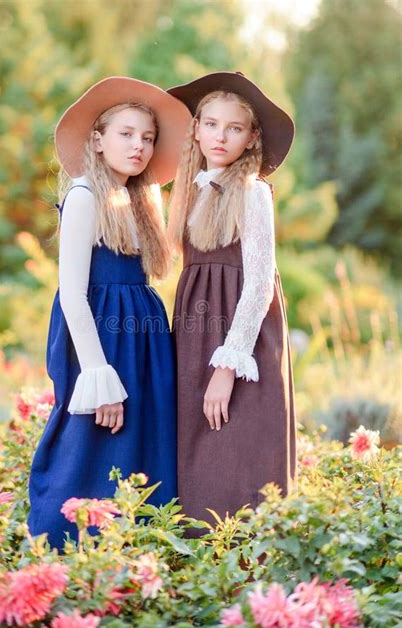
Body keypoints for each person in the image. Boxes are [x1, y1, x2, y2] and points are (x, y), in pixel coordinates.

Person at [28, 77, 190, 550]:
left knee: (143, 439)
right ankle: (65, 545)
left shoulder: (142, 200)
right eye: (126, 134)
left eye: (147, 138)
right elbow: (74, 295)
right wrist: (99, 374)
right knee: (90, 440)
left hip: (142, 334)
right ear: (97, 140)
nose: (138, 146)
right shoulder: (84, 196)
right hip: (97, 336)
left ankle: (140, 550)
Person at [167, 71, 296, 529]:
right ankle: (199, 568)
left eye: (234, 128)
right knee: (194, 454)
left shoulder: (251, 191)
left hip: (240, 337)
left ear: (251, 137)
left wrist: (227, 365)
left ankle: (246, 574)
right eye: (212, 124)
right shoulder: (192, 188)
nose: (220, 136)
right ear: (196, 128)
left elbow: (260, 281)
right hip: (195, 332)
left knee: (237, 449)